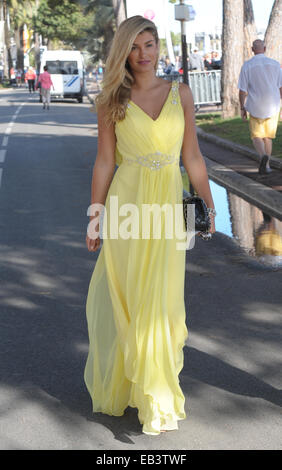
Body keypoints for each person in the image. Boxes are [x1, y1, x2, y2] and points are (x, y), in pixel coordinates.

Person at [84, 15, 216, 436]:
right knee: (133, 299)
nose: (145, 54)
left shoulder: (182, 93)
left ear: (160, 47)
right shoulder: (112, 101)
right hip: (126, 208)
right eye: (136, 47)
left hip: (166, 210)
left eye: (151, 44)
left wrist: (208, 207)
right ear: (123, 52)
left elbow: (192, 157)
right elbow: (105, 161)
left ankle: (154, 389)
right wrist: (95, 215)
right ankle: (150, 396)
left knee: (162, 303)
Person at [238, 39, 282, 175]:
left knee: (256, 136)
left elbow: (242, 90)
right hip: (273, 105)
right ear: (265, 48)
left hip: (255, 105)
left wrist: (242, 107)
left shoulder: (247, 66)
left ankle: (262, 156)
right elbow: (280, 87)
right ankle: (267, 165)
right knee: (267, 137)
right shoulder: (275, 65)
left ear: (252, 49)